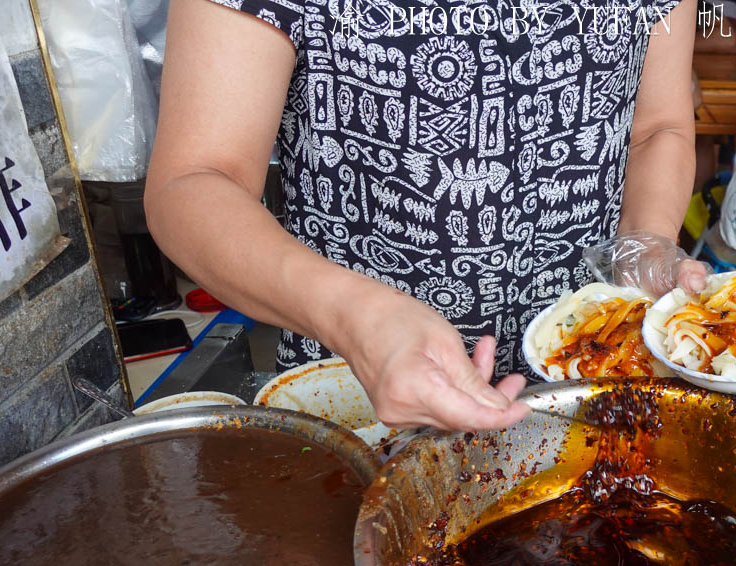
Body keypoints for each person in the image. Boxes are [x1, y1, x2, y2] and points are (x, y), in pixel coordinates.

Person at [144, 0, 706, 431]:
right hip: (358, 390)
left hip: (591, 370)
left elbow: (658, 128)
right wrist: (357, 320)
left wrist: (646, 242)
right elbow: (194, 180)